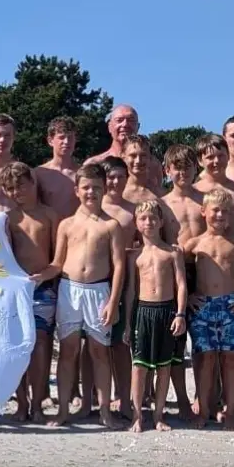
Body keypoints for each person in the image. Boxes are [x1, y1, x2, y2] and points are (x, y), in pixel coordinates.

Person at [31, 161, 125, 428]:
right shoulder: (67, 225)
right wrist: (39, 276)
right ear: (76, 190)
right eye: (86, 187)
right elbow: (57, 263)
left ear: (104, 189)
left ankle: (105, 411)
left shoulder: (111, 226)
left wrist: (113, 300)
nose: (91, 193)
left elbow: (119, 266)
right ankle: (62, 410)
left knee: (99, 352)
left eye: (96, 188)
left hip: (99, 292)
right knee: (69, 351)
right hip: (69, 291)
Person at [183, 190, 234, 430]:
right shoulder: (194, 243)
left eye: (225, 211)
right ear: (204, 212)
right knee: (206, 359)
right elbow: (176, 269)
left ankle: (230, 410)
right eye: (215, 210)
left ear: (232, 215)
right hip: (202, 307)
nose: (220, 215)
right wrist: (187, 296)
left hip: (230, 306)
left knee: (229, 359)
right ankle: (205, 410)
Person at [0, 162, 57, 422]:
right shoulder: (8, 219)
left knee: (42, 344)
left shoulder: (49, 215)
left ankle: (37, 402)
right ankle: (21, 401)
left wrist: (46, 275)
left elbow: (59, 255)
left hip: (44, 287)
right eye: (10, 188)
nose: (17, 191)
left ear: (33, 182)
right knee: (17, 346)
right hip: (17, 289)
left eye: (21, 185)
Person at [124, 201, 188, 434]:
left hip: (167, 311)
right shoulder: (134, 256)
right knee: (139, 367)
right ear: (136, 223)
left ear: (161, 222)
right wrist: (129, 323)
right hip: (143, 311)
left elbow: (181, 285)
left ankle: (159, 415)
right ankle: (138, 415)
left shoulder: (172, 252)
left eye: (153, 218)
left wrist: (180, 314)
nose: (148, 222)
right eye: (143, 218)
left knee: (164, 367)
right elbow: (131, 290)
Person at [100, 157, 138, 418]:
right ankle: (95, 399)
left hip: (124, 281)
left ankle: (125, 399)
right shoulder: (92, 207)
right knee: (93, 345)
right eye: (110, 177)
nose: (115, 182)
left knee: (121, 344)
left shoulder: (132, 211)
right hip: (95, 280)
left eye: (119, 177)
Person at [192, 133, 234, 219]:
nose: (216, 161)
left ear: (228, 156)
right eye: (210, 157)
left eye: (221, 156)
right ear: (200, 161)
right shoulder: (193, 192)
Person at [36, 116, 81, 217]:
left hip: (75, 230)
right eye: (61, 137)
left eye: (70, 137)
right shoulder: (39, 173)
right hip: (48, 230)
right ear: (50, 141)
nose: (66, 142)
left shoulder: (82, 173)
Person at [162, 146, 206, 247]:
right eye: (178, 168)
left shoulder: (206, 200)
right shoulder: (163, 205)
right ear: (167, 171)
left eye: (187, 167)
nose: (183, 172)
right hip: (177, 260)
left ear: (195, 168)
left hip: (205, 259)